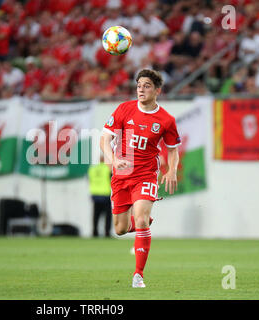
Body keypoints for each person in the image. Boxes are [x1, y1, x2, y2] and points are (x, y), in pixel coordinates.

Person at [100, 69, 181, 288]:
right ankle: (138, 219)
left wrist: (172, 170)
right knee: (119, 229)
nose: (141, 89)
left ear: (157, 90)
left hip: (146, 175)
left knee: (143, 220)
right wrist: (113, 160)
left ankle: (138, 275)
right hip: (121, 175)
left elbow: (172, 150)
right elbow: (105, 140)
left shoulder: (166, 120)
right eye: (138, 85)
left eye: (146, 86)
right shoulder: (124, 109)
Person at [88, 154, 112, 237]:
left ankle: (95, 232)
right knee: (108, 216)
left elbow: (89, 179)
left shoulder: (92, 169)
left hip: (95, 194)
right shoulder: (108, 169)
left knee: (96, 215)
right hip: (105, 194)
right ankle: (107, 233)